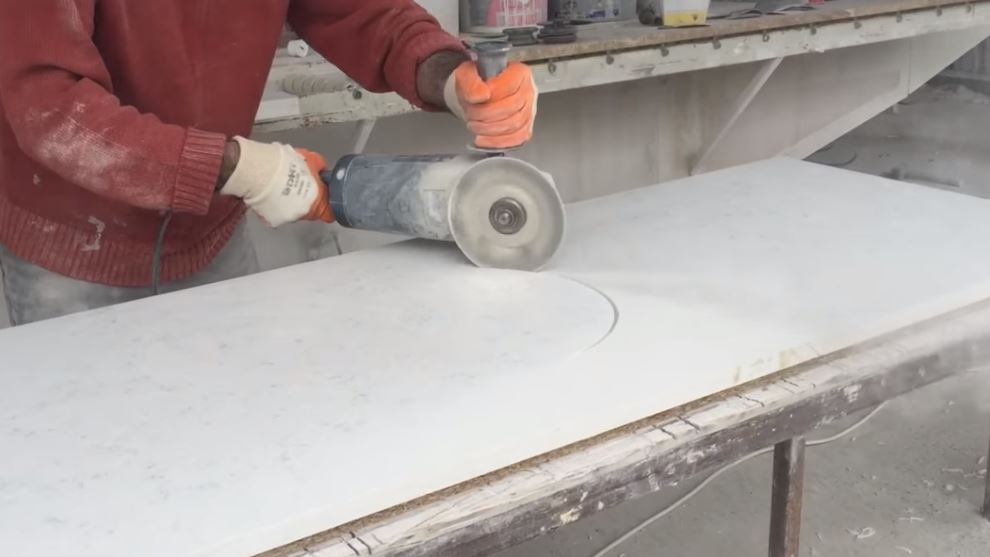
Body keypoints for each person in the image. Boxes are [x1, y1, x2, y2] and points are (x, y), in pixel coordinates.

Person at [0, 1, 538, 326]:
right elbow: (53, 110)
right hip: (77, 248)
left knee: (235, 430)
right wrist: (246, 170)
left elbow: (364, 13)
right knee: (97, 455)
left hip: (210, 227)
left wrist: (447, 75)